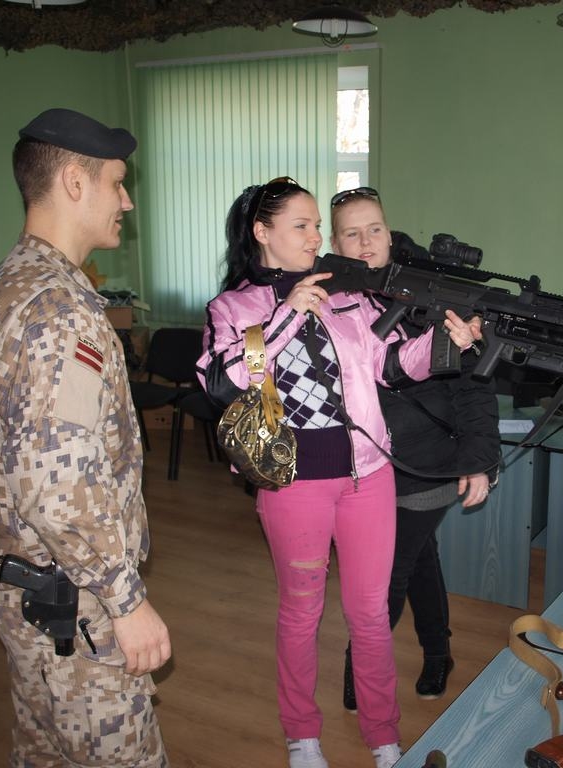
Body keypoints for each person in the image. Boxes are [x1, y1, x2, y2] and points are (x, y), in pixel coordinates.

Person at [197, 178, 479, 768]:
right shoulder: (234, 308)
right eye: (301, 225)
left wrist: (446, 343)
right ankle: (302, 736)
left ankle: (383, 735)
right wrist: (285, 316)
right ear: (262, 232)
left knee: (371, 616)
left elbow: (390, 365)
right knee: (301, 615)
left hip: (368, 477)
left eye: (316, 226)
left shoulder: (345, 294)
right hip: (293, 484)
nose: (315, 237)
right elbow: (225, 381)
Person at [0, 108, 171, 767]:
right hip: (71, 594)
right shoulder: (55, 309)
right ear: (75, 182)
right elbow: (57, 488)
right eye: (117, 183)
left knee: (45, 748)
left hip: (26, 587)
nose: (126, 201)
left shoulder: (10, 281)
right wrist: (126, 602)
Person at [329, 187, 500, 713]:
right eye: (351, 233)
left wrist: (479, 459)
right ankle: (439, 654)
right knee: (420, 559)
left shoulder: (432, 293)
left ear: (389, 231)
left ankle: (362, 669)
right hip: (366, 463)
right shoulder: (329, 295)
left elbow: (473, 384)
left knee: (389, 575)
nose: (365, 242)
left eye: (374, 229)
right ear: (333, 243)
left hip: (427, 461)